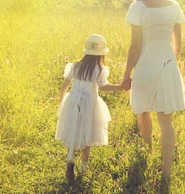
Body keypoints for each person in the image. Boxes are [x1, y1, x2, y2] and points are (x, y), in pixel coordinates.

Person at [122, 0, 185, 179]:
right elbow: (178, 42)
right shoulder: (174, 6)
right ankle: (166, 172)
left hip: (145, 65)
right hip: (167, 63)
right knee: (166, 122)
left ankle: (148, 151)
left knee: (143, 111)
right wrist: (171, 62)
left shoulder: (138, 8)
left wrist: (126, 73)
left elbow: (135, 46)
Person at [56, 34, 130, 183]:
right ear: (102, 54)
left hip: (73, 100)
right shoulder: (99, 69)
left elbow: (66, 82)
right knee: (86, 135)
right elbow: (104, 87)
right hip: (89, 103)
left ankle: (70, 160)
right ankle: (83, 168)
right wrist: (121, 87)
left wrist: (62, 99)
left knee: (73, 130)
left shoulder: (76, 65)